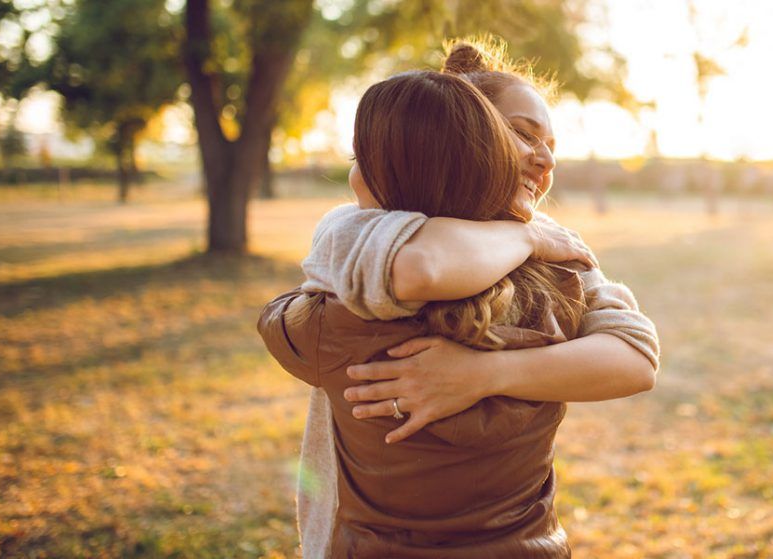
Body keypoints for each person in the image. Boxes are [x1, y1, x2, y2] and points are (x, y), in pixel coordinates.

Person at [261, 40, 660, 558]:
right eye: (523, 134)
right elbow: (421, 266)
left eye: (551, 144)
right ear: (463, 135)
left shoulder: (555, 254)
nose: (545, 158)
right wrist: (526, 239)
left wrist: (480, 374)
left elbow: (635, 361)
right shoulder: (365, 237)